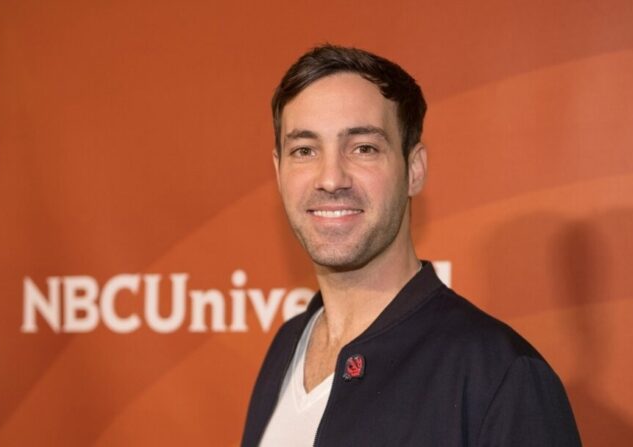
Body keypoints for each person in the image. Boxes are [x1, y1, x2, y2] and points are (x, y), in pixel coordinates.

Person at [241, 44, 581, 446]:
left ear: (414, 170)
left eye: (363, 148)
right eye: (305, 150)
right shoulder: (288, 345)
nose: (330, 178)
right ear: (279, 172)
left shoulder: (499, 376)